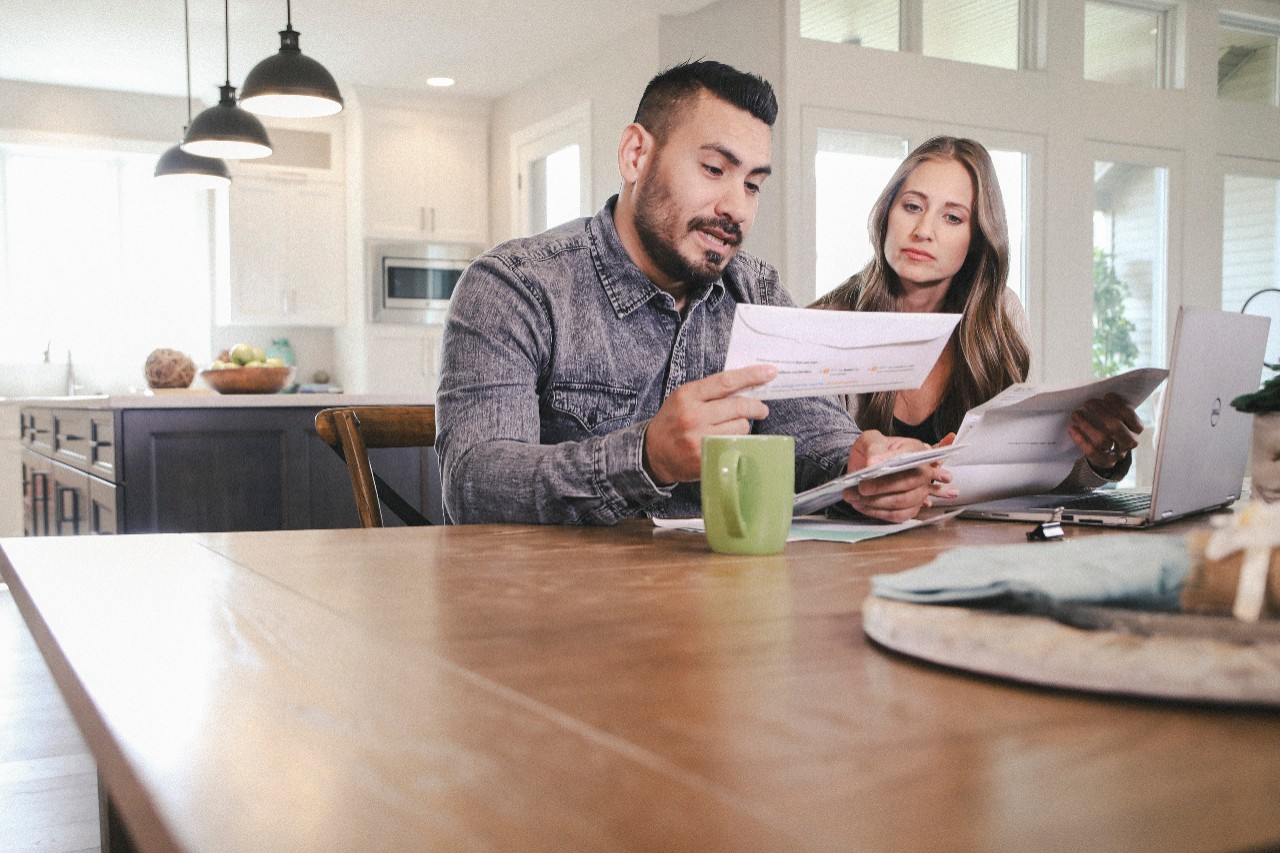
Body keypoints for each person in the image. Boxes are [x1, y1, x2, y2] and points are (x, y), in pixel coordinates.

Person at [436, 60, 952, 525]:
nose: (737, 207)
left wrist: (862, 470)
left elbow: (818, 433)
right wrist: (645, 458)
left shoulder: (757, 291)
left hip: (726, 608)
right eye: (713, 170)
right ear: (636, 154)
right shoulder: (515, 286)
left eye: (752, 184)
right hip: (564, 614)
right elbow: (474, 484)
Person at [811, 136, 1142, 486]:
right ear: (885, 214)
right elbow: (811, 470)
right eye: (912, 207)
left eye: (952, 217)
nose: (923, 231)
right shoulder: (825, 324)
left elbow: (1022, 468)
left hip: (970, 535)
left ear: (977, 239)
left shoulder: (1001, 317)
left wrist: (1099, 458)